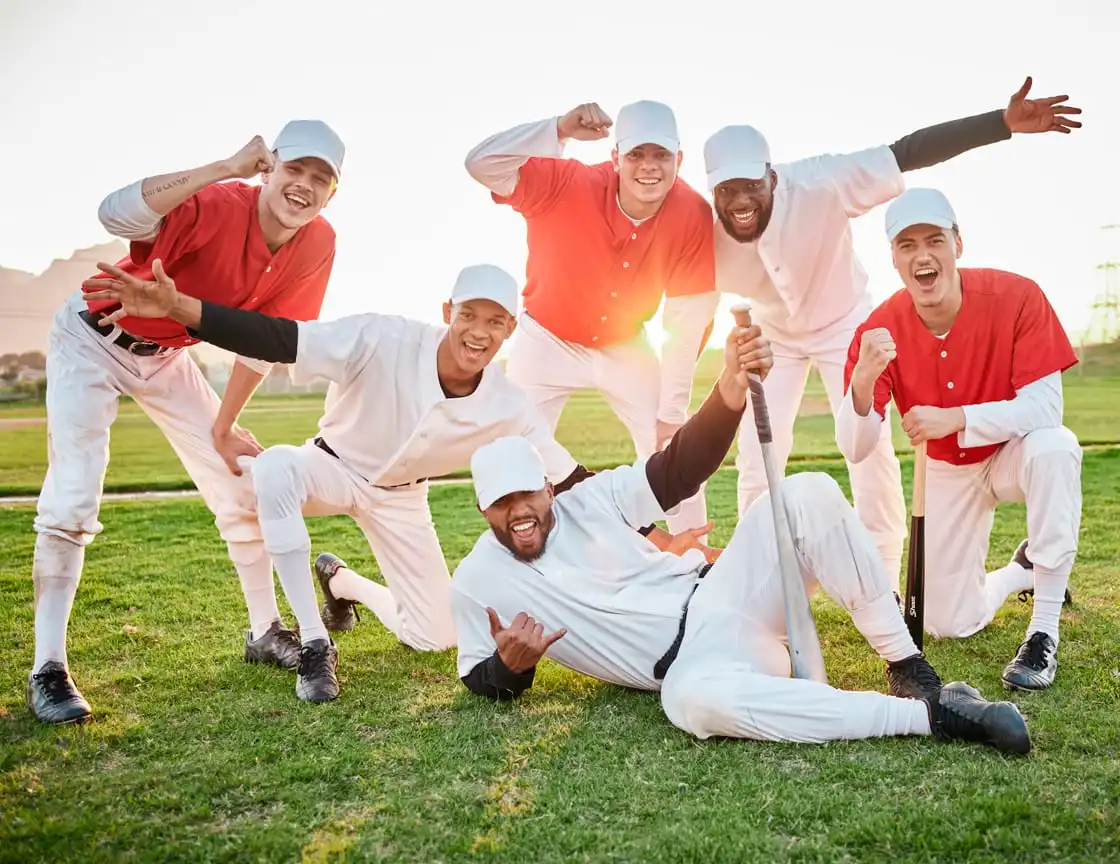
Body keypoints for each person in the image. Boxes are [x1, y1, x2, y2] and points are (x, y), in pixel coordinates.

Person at [81, 262, 715, 703]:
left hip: (400, 499)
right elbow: (280, 339)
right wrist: (182, 311)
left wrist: (657, 541)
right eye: (470, 315)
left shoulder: (508, 403)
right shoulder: (380, 336)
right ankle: (313, 643)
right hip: (328, 466)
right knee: (274, 465)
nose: (479, 332)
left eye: (496, 322)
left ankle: (344, 582)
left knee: (434, 634)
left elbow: (574, 483)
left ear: (510, 331)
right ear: (448, 312)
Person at [447, 314, 1032, 755]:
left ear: (548, 488)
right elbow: (481, 678)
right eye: (502, 504)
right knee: (689, 704)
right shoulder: (476, 580)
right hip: (696, 663)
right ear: (480, 508)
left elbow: (678, 469)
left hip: (725, 591)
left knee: (805, 492)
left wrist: (729, 386)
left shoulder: (587, 500)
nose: (519, 512)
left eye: (527, 494)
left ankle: (911, 670)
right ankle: (937, 716)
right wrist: (512, 669)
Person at [703, 76, 1082, 584]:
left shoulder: (821, 179)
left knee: (869, 448)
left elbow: (907, 152)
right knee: (758, 449)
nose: (740, 198)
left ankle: (879, 576)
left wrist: (1001, 123)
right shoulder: (701, 225)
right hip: (774, 334)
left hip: (846, 323)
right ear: (712, 191)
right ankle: (756, 576)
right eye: (726, 189)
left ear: (772, 177)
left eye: (751, 183)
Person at [27, 121, 345, 724]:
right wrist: (224, 165)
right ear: (269, 169)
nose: (303, 186)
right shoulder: (221, 200)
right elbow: (113, 213)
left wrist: (224, 427)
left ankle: (263, 631)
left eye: (320, 179)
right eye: (294, 169)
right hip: (92, 336)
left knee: (240, 482)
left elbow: (267, 344)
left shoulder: (318, 242)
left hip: (168, 355)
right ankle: (48, 668)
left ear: (333, 193)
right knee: (73, 494)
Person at [837, 187, 1081, 692]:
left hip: (1013, 452)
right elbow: (857, 448)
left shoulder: (1018, 296)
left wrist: (956, 417)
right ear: (895, 259)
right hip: (947, 469)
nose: (922, 255)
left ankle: (1043, 630)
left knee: (1057, 447)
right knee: (948, 622)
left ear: (957, 244)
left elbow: (1045, 409)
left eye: (934, 240)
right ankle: (1021, 571)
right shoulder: (877, 330)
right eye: (907, 245)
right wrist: (863, 380)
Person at [465, 100, 720, 537]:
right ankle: (523, 567)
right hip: (546, 338)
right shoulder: (566, 181)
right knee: (512, 456)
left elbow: (687, 317)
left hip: (626, 343)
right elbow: (481, 163)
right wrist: (557, 130)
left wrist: (672, 411)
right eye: (636, 154)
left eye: (661, 155)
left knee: (673, 447)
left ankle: (695, 566)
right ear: (615, 156)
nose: (649, 168)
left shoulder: (693, 212)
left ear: (678, 159)